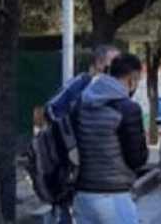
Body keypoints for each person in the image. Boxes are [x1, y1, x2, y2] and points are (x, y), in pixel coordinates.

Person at [43, 44, 120, 224]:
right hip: (75, 169)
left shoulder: (113, 92)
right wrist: (71, 142)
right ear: (101, 64)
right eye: (115, 62)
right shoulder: (81, 84)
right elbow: (52, 109)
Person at [72, 53, 148, 224]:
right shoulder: (128, 109)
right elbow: (137, 159)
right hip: (114, 196)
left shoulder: (82, 104)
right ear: (132, 78)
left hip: (83, 195)